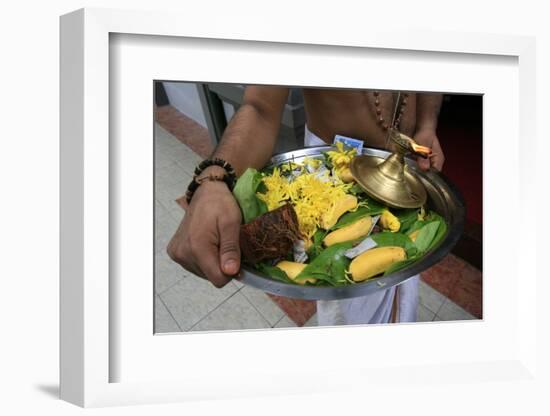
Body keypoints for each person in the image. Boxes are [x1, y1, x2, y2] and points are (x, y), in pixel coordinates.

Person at [167, 86, 444, 325]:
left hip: (402, 171)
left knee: (401, 279)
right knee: (347, 324)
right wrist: (214, 179)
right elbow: (260, 106)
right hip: (332, 177)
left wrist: (427, 126)